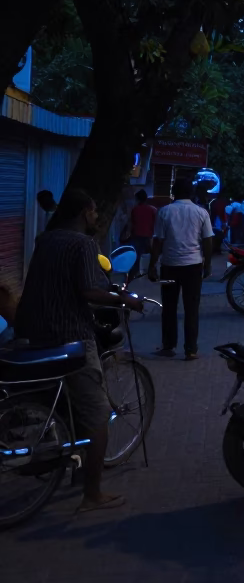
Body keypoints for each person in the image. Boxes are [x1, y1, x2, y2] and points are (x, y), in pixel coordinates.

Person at [13, 188, 144, 513]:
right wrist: (125, 299)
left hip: (32, 331)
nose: (97, 217)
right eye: (95, 211)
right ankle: (92, 494)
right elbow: (89, 290)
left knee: (64, 400)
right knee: (97, 413)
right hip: (67, 335)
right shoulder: (83, 244)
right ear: (86, 211)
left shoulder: (46, 239)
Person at [148, 178, 214, 361]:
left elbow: (158, 241)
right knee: (191, 308)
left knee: (168, 307)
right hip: (193, 266)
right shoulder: (201, 212)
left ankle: (169, 346)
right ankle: (191, 349)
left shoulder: (165, 212)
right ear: (191, 193)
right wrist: (207, 264)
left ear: (174, 193)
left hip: (169, 265)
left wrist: (152, 264)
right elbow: (208, 240)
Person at [128, 190, 157, 279]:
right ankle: (151, 272)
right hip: (149, 235)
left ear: (137, 199)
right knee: (151, 255)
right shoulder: (152, 209)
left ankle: (134, 274)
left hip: (136, 235)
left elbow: (132, 223)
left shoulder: (134, 209)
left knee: (136, 256)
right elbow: (155, 223)